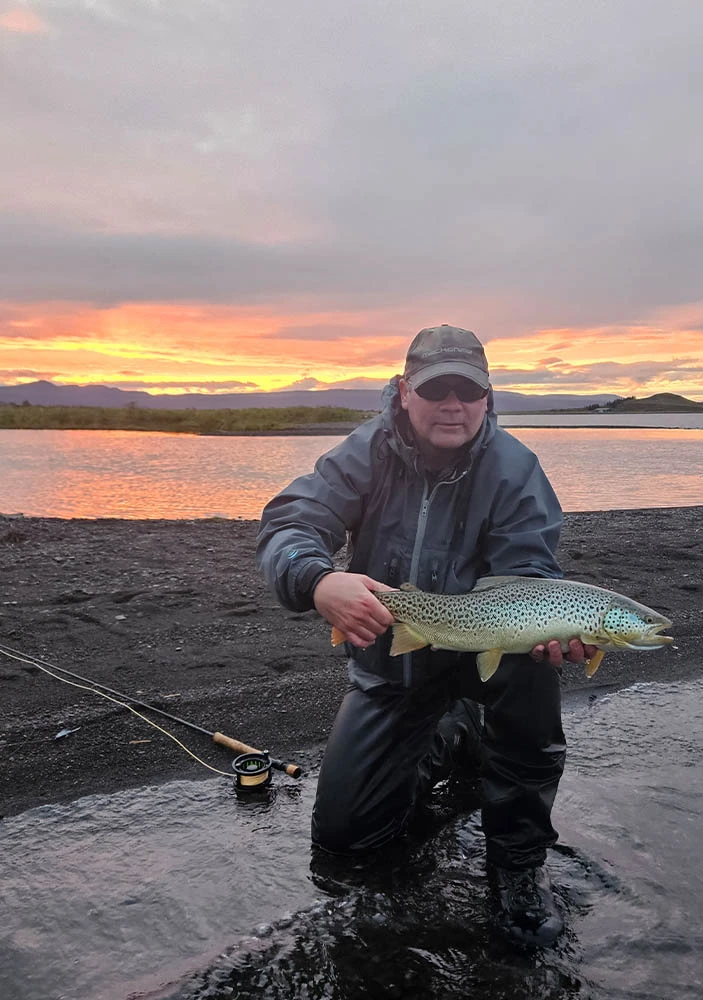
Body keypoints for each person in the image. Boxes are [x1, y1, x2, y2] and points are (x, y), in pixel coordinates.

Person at [256, 324, 597, 947]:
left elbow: (530, 573)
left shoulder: (515, 468)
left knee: (531, 673)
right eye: (435, 388)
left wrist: (552, 628)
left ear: (488, 399)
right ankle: (453, 732)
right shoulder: (365, 452)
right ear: (403, 391)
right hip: (397, 658)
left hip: (487, 652)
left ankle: (518, 866)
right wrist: (318, 582)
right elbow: (290, 521)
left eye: (468, 391)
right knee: (345, 841)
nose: (452, 404)